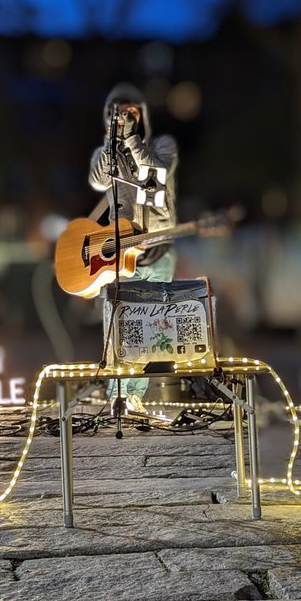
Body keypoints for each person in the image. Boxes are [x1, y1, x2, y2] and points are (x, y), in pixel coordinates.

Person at [88, 82, 179, 414]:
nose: (125, 117)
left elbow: (157, 172)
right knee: (119, 320)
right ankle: (120, 396)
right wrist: (113, 142)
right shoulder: (103, 153)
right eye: (118, 112)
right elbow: (99, 179)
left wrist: (131, 140)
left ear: (143, 115)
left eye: (131, 112)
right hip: (123, 249)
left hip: (157, 246)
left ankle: (139, 392)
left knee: (152, 324)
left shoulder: (162, 145)